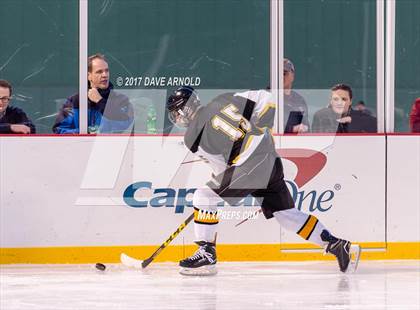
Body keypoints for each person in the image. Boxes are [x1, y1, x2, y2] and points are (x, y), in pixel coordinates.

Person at [166, 86, 360, 276]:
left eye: (177, 113)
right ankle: (336, 244)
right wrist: (263, 128)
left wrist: (220, 186)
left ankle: (206, 251)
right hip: (268, 156)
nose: (177, 118)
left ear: (185, 109)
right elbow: (265, 97)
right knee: (286, 215)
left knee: (204, 197)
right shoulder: (224, 99)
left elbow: (221, 167)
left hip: (249, 165)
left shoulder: (191, 136)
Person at [53, 54, 134, 134]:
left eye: (107, 70)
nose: (105, 75)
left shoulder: (121, 100)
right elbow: (59, 130)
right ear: (89, 76)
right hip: (81, 146)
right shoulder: (75, 101)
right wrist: (88, 134)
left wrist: (100, 101)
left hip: (111, 147)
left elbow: (125, 124)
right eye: (99, 72)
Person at [312, 84, 377, 133]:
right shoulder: (321, 116)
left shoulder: (359, 116)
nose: (339, 103)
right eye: (336, 99)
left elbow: (376, 125)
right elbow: (315, 139)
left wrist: (352, 119)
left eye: (344, 99)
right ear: (331, 101)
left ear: (350, 101)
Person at [283, 59, 310, 133]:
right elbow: (263, 127)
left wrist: (304, 128)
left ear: (292, 76)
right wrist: (292, 129)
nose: (281, 77)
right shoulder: (266, 97)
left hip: (295, 143)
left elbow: (306, 127)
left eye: (284, 73)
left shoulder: (299, 100)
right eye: (277, 74)